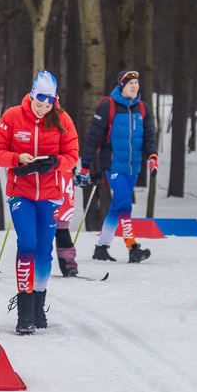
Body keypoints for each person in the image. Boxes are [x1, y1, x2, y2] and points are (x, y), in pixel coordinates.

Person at [0, 71, 79, 334]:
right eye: (39, 104)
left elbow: (72, 155)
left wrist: (56, 163)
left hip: (51, 194)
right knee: (27, 243)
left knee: (44, 252)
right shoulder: (13, 116)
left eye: (48, 105)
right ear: (31, 96)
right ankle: (24, 311)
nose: (42, 110)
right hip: (21, 193)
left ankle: (39, 304)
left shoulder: (62, 119)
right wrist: (18, 159)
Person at [77, 70, 158, 263]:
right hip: (113, 166)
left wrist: (153, 156)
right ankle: (133, 248)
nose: (134, 86)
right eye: (130, 83)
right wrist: (85, 166)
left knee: (116, 208)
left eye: (137, 83)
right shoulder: (108, 107)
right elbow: (93, 138)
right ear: (122, 86)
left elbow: (149, 136)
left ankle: (101, 248)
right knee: (124, 203)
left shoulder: (143, 108)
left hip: (133, 167)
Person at [55, 167, 79, 277]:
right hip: (46, 185)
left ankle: (69, 266)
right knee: (43, 233)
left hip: (65, 182)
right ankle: (35, 264)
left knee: (62, 230)